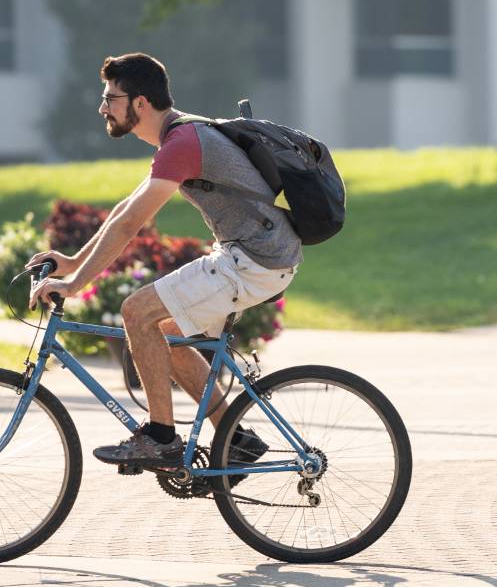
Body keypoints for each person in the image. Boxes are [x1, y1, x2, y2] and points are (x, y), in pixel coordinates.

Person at [28, 52, 299, 472]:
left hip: (256, 259)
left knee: (136, 313)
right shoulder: (178, 136)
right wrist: (73, 261)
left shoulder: (183, 143)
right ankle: (235, 437)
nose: (102, 107)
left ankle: (161, 439)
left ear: (139, 103)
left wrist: (74, 284)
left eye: (110, 97)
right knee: (163, 337)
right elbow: (125, 210)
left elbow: (132, 223)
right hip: (250, 254)